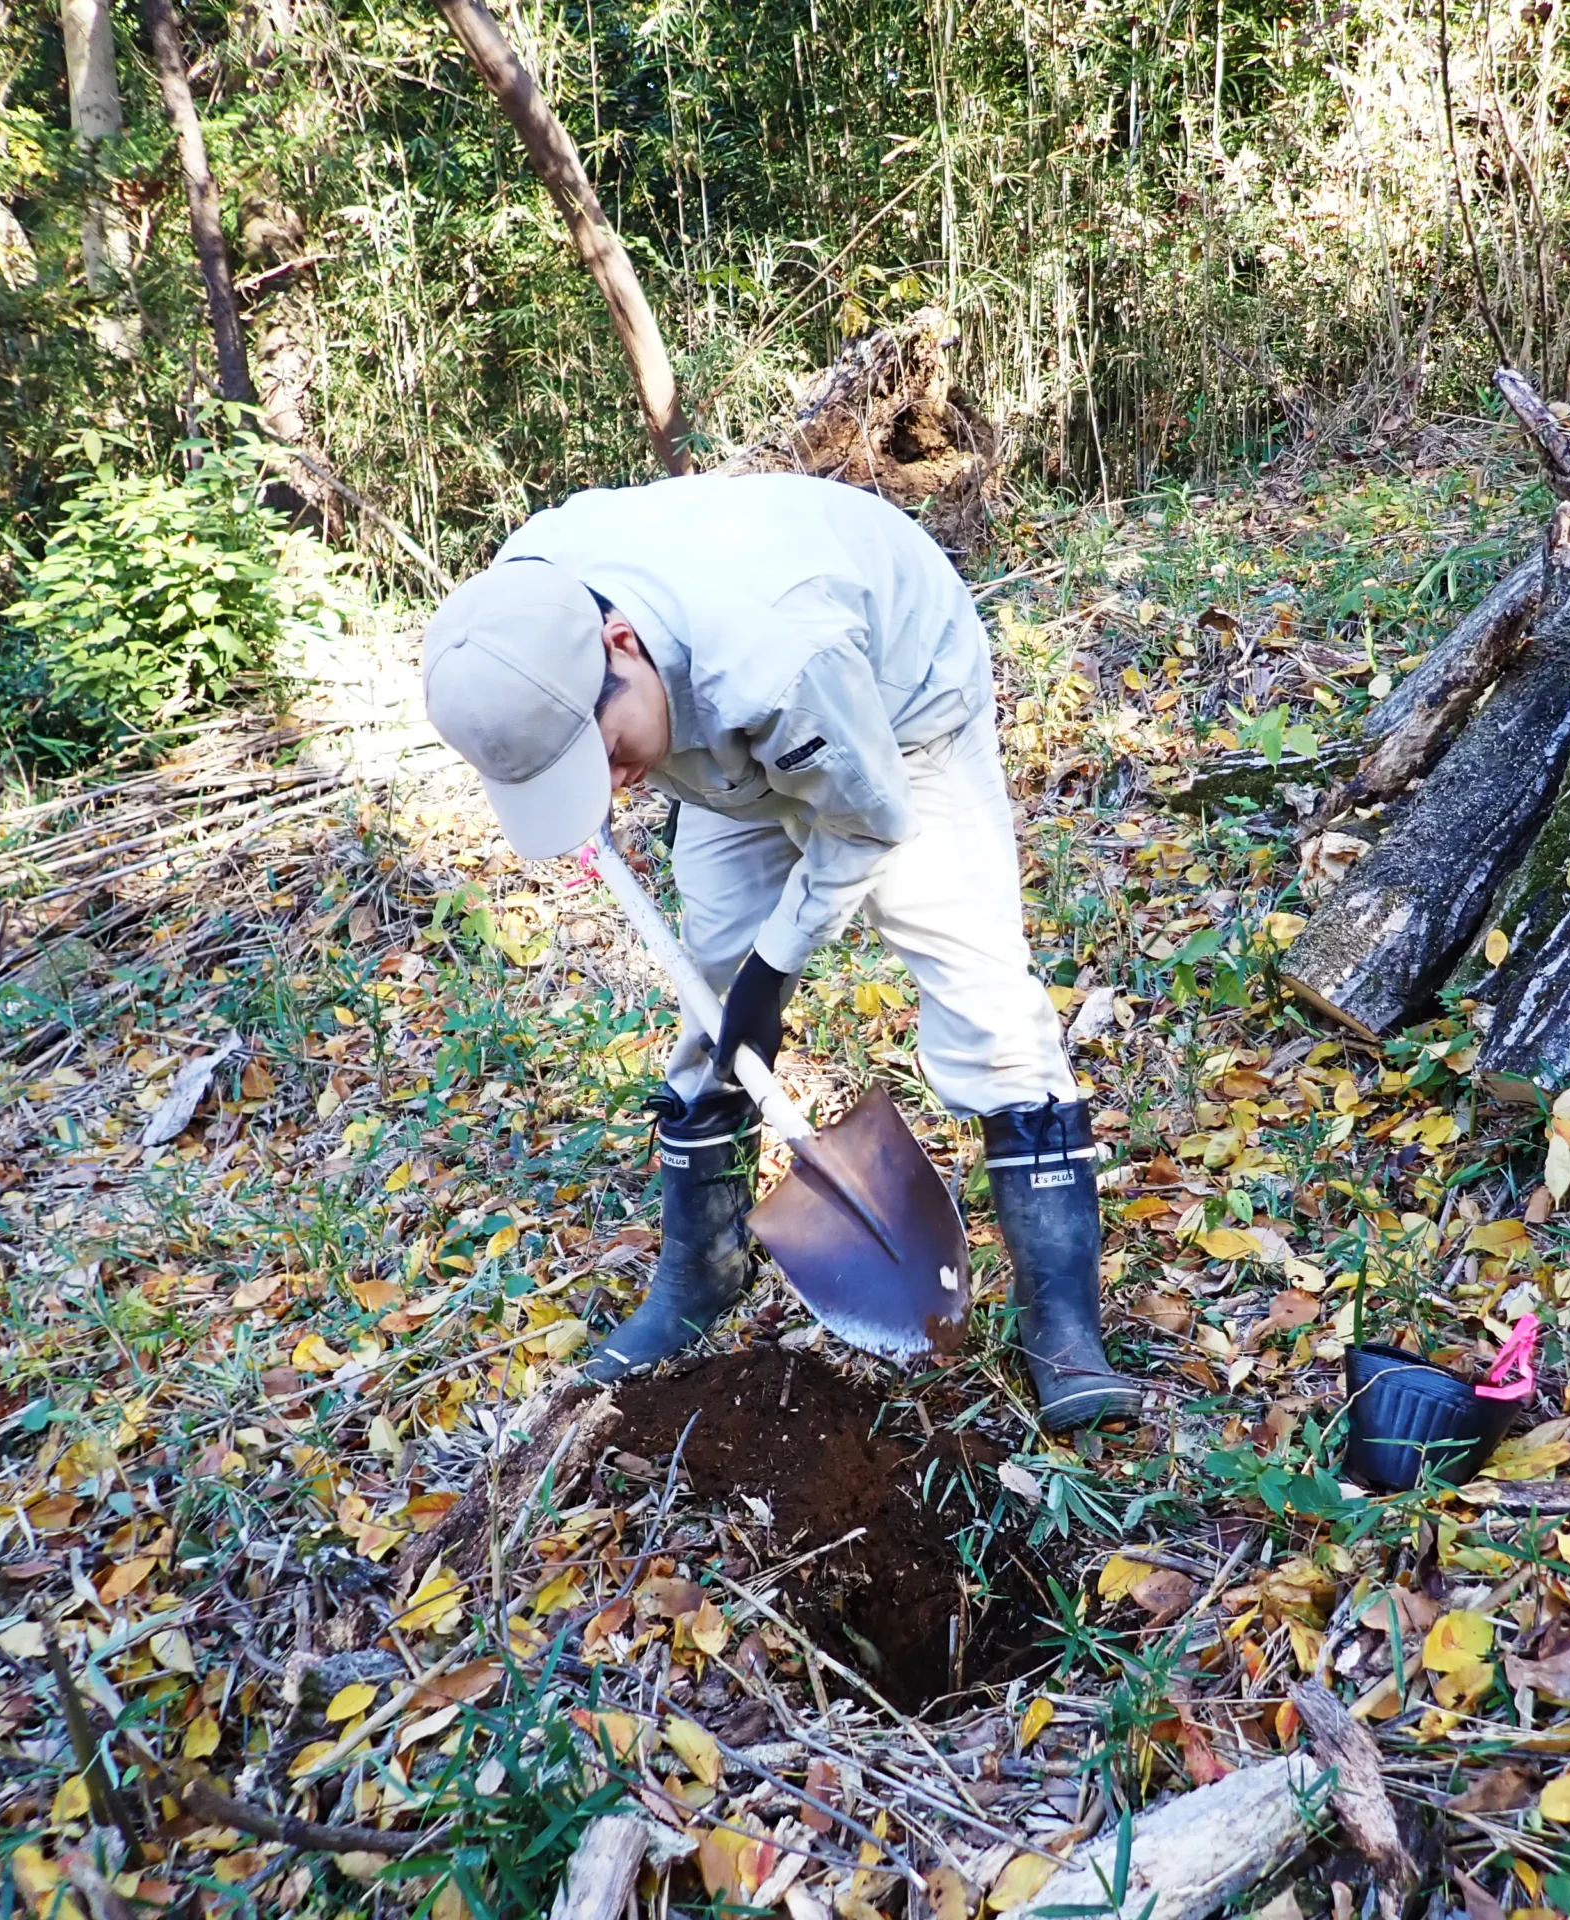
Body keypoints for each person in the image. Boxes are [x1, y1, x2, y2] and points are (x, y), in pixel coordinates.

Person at [420, 471, 1141, 1430]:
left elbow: (868, 819)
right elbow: (573, 741)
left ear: (619, 644)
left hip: (893, 708)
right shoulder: (518, 629)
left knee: (977, 990)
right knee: (708, 1006)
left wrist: (777, 967)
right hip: (718, 749)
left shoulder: (778, 653)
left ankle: (1063, 1327)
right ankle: (699, 1281)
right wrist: (732, 977)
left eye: (602, 754)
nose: (615, 789)